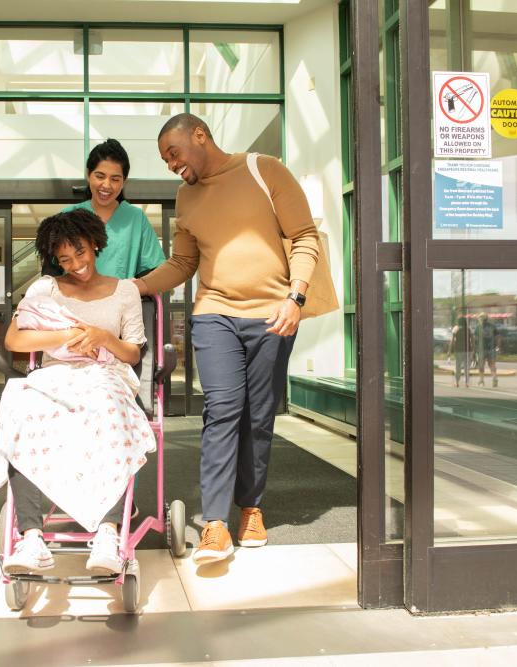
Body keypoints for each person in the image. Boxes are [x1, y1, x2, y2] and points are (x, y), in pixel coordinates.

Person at [135, 113, 322, 565]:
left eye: (173, 153)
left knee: (258, 416)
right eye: (164, 159)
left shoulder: (265, 170)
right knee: (221, 410)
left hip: (273, 314)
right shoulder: (186, 195)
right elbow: (182, 264)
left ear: (200, 135)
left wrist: (295, 298)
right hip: (214, 313)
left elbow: (304, 237)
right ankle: (215, 524)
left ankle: (251, 508)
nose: (170, 164)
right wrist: (133, 287)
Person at [0, 209, 155, 576]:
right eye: (64, 259)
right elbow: (15, 339)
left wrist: (103, 338)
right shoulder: (44, 289)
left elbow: (132, 353)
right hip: (57, 374)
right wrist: (66, 337)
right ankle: (32, 539)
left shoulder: (125, 291)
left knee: (108, 406)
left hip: (105, 373)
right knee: (23, 405)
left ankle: (108, 534)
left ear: (95, 243)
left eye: (80, 253)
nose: (75, 264)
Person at [62, 138, 165, 280]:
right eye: (100, 176)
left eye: (115, 179)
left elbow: (152, 270)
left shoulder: (136, 218)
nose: (106, 185)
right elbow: (52, 267)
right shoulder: (68, 217)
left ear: (124, 181)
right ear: (88, 174)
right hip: (73, 300)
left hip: (121, 300)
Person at [475, 313, 500, 387]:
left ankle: (481, 379)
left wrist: (474, 348)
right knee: (492, 364)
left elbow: (475, 339)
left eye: (479, 318)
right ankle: (494, 377)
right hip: (491, 348)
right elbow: (498, 337)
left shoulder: (478, 327)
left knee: (481, 365)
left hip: (481, 349)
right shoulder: (492, 326)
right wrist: (498, 347)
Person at [446, 316, 472, 388]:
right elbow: (472, 340)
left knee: (458, 366)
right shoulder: (468, 329)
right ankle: (467, 382)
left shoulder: (456, 329)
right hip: (468, 350)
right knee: (467, 367)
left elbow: (452, 340)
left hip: (459, 350)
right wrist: (473, 349)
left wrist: (449, 351)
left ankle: (457, 382)